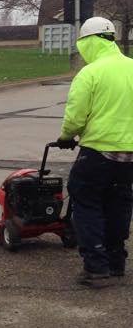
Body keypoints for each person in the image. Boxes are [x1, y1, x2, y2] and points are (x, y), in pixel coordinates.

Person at [56, 16, 133, 288]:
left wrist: (66, 137)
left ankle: (96, 267)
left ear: (89, 42)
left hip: (99, 150)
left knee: (86, 203)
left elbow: (75, 117)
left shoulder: (91, 73)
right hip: (129, 155)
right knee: (119, 204)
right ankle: (116, 262)